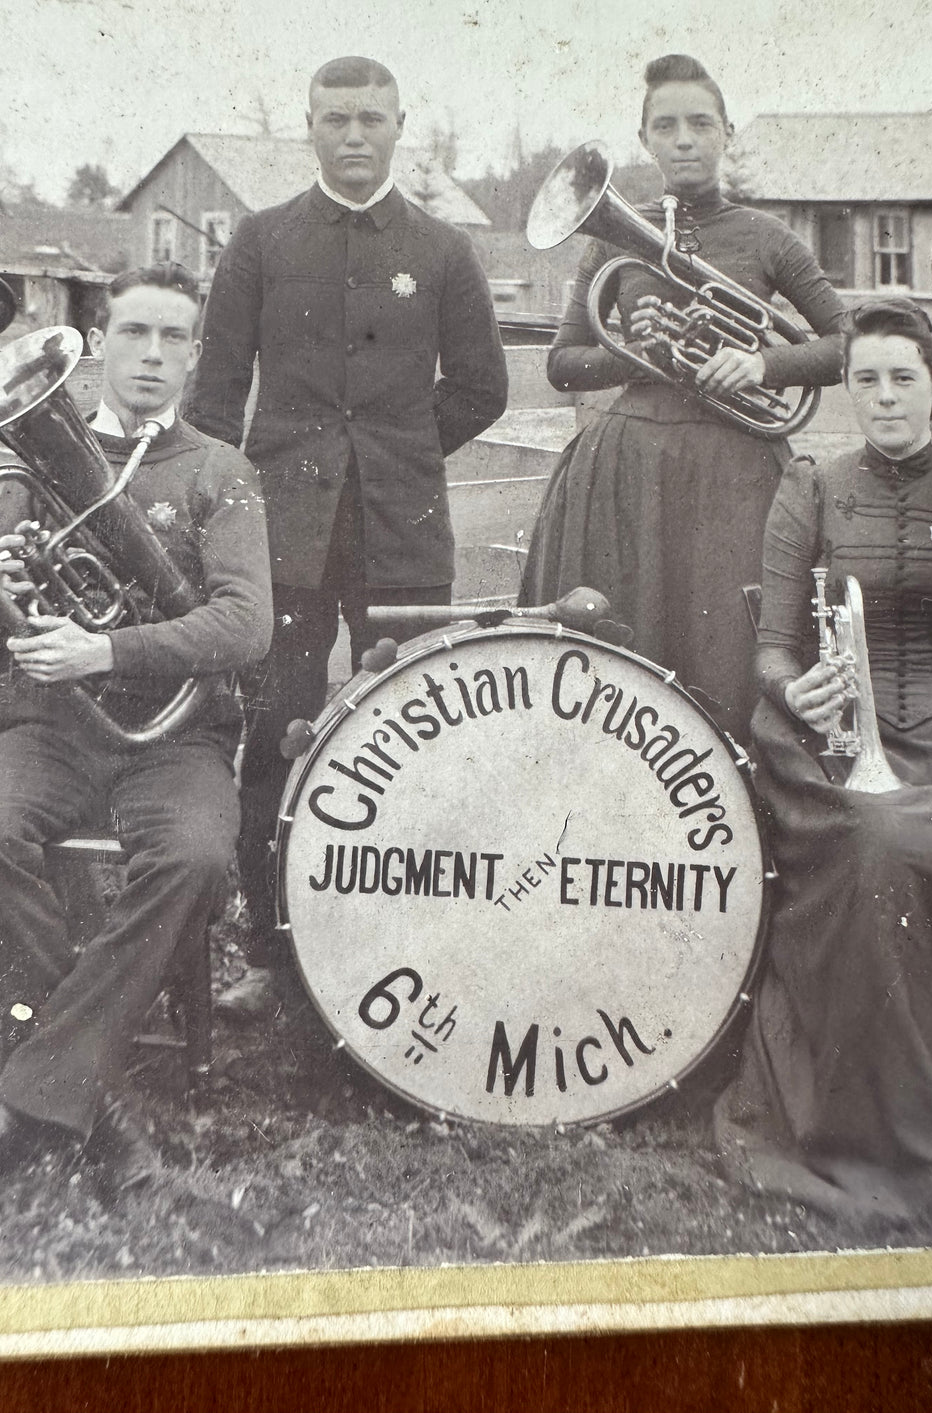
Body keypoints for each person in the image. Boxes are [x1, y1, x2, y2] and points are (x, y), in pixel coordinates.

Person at [713, 298, 932, 1236]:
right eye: (864, 378)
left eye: (903, 377)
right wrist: (800, 695)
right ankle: (882, 1127)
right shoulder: (810, 487)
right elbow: (775, 649)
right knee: (879, 848)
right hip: (838, 749)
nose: (884, 396)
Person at [184, 56, 508, 1019]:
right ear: (310, 127)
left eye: (372, 118)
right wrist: (245, 488)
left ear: (403, 125)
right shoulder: (262, 239)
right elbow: (211, 393)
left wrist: (398, 454)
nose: (355, 135)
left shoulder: (443, 249)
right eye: (337, 119)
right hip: (279, 531)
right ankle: (272, 955)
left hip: (402, 529)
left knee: (413, 728)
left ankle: (399, 943)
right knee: (275, 724)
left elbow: (483, 388)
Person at [0, 263, 272, 1189]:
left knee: (195, 856)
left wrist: (107, 653)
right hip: (52, 726)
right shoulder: (26, 463)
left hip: (176, 735)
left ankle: (38, 1081)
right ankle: (91, 1101)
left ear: (195, 356)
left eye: (172, 339)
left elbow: (245, 624)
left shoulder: (218, 470)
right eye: (132, 334)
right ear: (98, 345)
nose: (151, 355)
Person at [519, 54, 844, 747]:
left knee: (727, 649)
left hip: (735, 471)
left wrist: (763, 360)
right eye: (666, 126)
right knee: (618, 652)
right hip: (626, 471)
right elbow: (562, 365)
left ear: (727, 132)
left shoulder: (766, 236)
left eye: (701, 123)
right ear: (645, 141)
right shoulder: (608, 233)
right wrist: (632, 351)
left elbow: (846, 341)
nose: (685, 139)